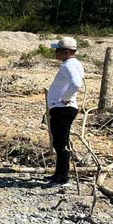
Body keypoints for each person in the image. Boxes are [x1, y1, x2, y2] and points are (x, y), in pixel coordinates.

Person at [46, 36, 85, 187]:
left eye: (58, 50)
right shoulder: (75, 64)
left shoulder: (68, 65)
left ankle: (63, 177)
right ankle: (58, 174)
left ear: (66, 52)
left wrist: (64, 98)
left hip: (63, 109)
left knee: (61, 144)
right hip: (63, 108)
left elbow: (76, 83)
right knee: (59, 143)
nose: (55, 53)